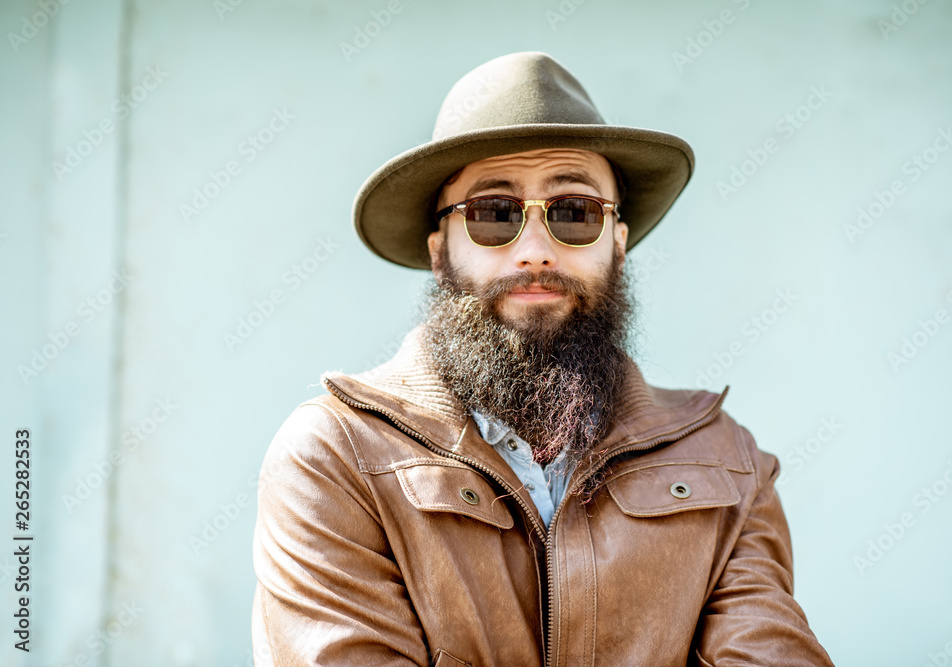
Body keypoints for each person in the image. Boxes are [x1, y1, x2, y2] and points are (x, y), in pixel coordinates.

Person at [251, 51, 834, 667]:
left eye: (575, 213)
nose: (534, 251)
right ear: (439, 251)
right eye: (493, 213)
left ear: (617, 242)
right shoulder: (334, 457)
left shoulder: (727, 461)